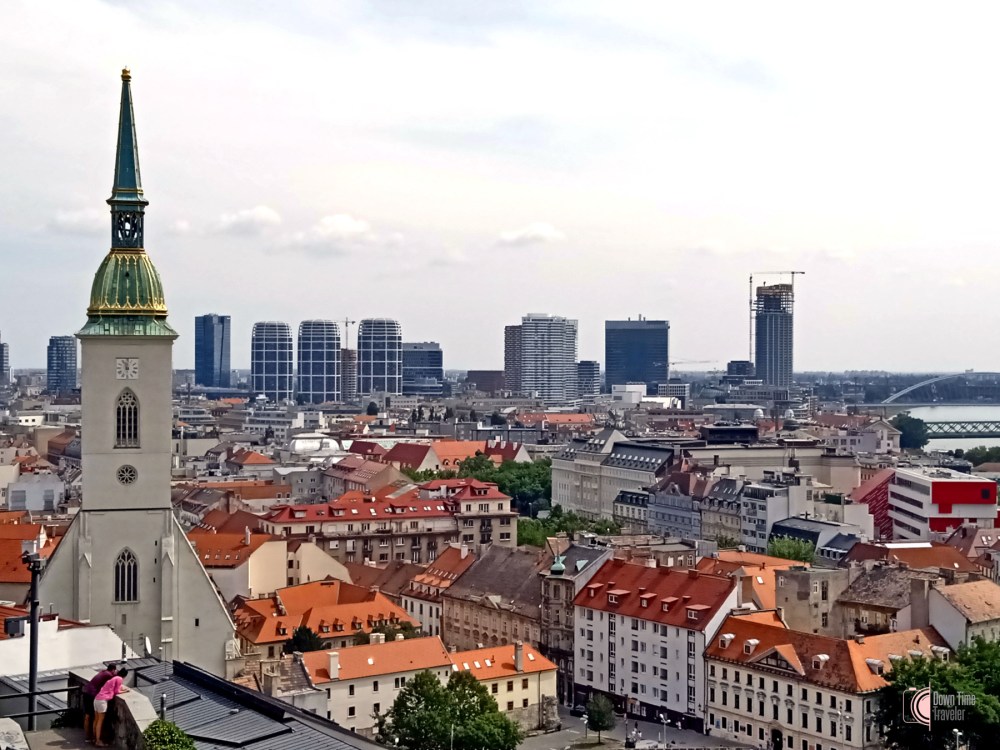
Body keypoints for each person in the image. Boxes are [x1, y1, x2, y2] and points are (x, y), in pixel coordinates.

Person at [92, 667, 129, 747]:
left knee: (96, 719)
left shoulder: (114, 678)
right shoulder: (119, 679)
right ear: (125, 675)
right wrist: (125, 691)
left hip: (97, 699)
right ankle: (98, 741)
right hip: (102, 701)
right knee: (100, 721)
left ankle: (94, 738)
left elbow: (115, 688)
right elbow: (117, 691)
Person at [82, 663, 117, 744]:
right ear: (113, 670)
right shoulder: (109, 675)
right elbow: (115, 681)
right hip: (92, 695)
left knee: (87, 716)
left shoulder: (103, 672)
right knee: (96, 718)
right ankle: (96, 739)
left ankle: (88, 737)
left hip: (86, 692)